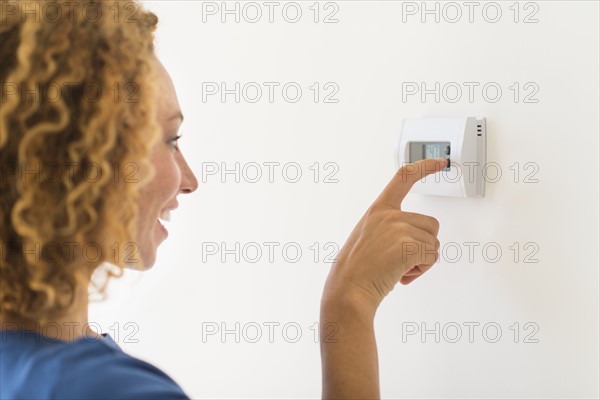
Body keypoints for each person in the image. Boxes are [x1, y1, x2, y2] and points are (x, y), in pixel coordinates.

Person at [0, 1, 446, 399]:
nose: (189, 180)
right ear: (78, 162)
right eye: (170, 140)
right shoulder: (105, 389)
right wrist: (349, 305)